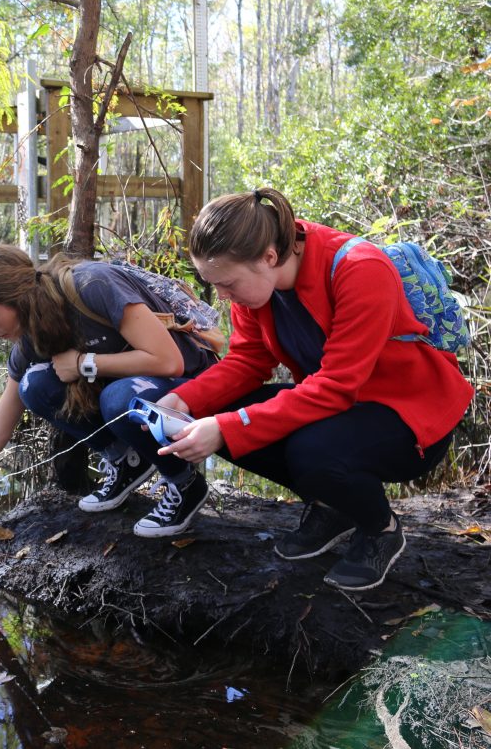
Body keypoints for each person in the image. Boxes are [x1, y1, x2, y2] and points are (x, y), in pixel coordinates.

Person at [152, 187, 474, 591]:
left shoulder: (360, 268)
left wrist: (230, 425)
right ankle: (332, 507)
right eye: (214, 284)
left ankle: (380, 528)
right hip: (344, 407)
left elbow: (336, 387)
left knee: (308, 450)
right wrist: (183, 400)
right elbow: (249, 362)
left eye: (227, 284)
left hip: (410, 416)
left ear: (269, 257)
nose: (221, 295)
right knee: (213, 414)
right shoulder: (254, 283)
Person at [0, 243, 218, 535]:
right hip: (143, 391)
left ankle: (184, 483)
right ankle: (127, 462)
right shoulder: (30, 341)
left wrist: (83, 364)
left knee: (119, 398)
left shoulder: (92, 285)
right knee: (34, 385)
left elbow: (168, 362)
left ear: (15, 297)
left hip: (192, 387)